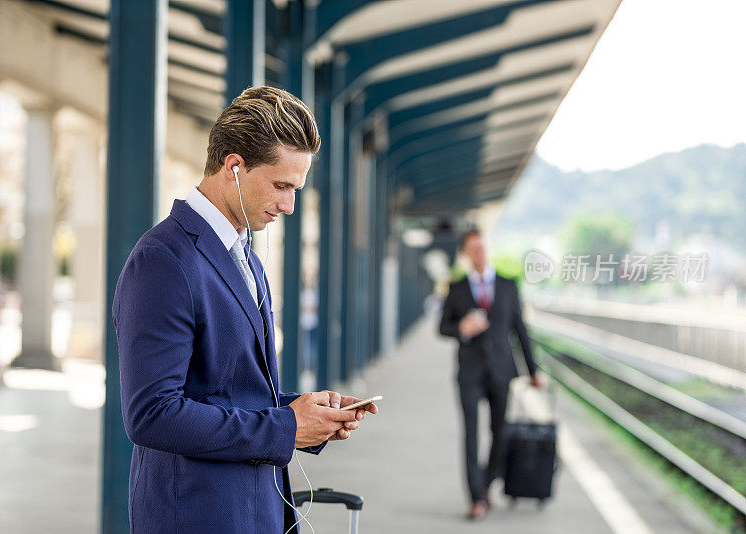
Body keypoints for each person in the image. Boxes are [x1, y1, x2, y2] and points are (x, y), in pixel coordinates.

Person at [113, 86, 378, 534]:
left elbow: (229, 391)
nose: (289, 205)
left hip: (253, 511)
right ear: (233, 166)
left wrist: (305, 412)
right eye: (281, 185)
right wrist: (285, 429)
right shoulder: (163, 260)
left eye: (297, 188)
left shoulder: (245, 256)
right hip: (198, 516)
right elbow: (151, 414)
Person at [439, 228, 540, 520]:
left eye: (483, 247)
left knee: (500, 432)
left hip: (501, 370)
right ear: (466, 254)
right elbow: (442, 327)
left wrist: (534, 371)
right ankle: (475, 498)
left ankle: (486, 484)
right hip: (469, 371)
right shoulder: (456, 288)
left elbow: (521, 329)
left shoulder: (508, 285)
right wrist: (462, 329)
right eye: (474, 249)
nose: (480, 253)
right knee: (470, 434)